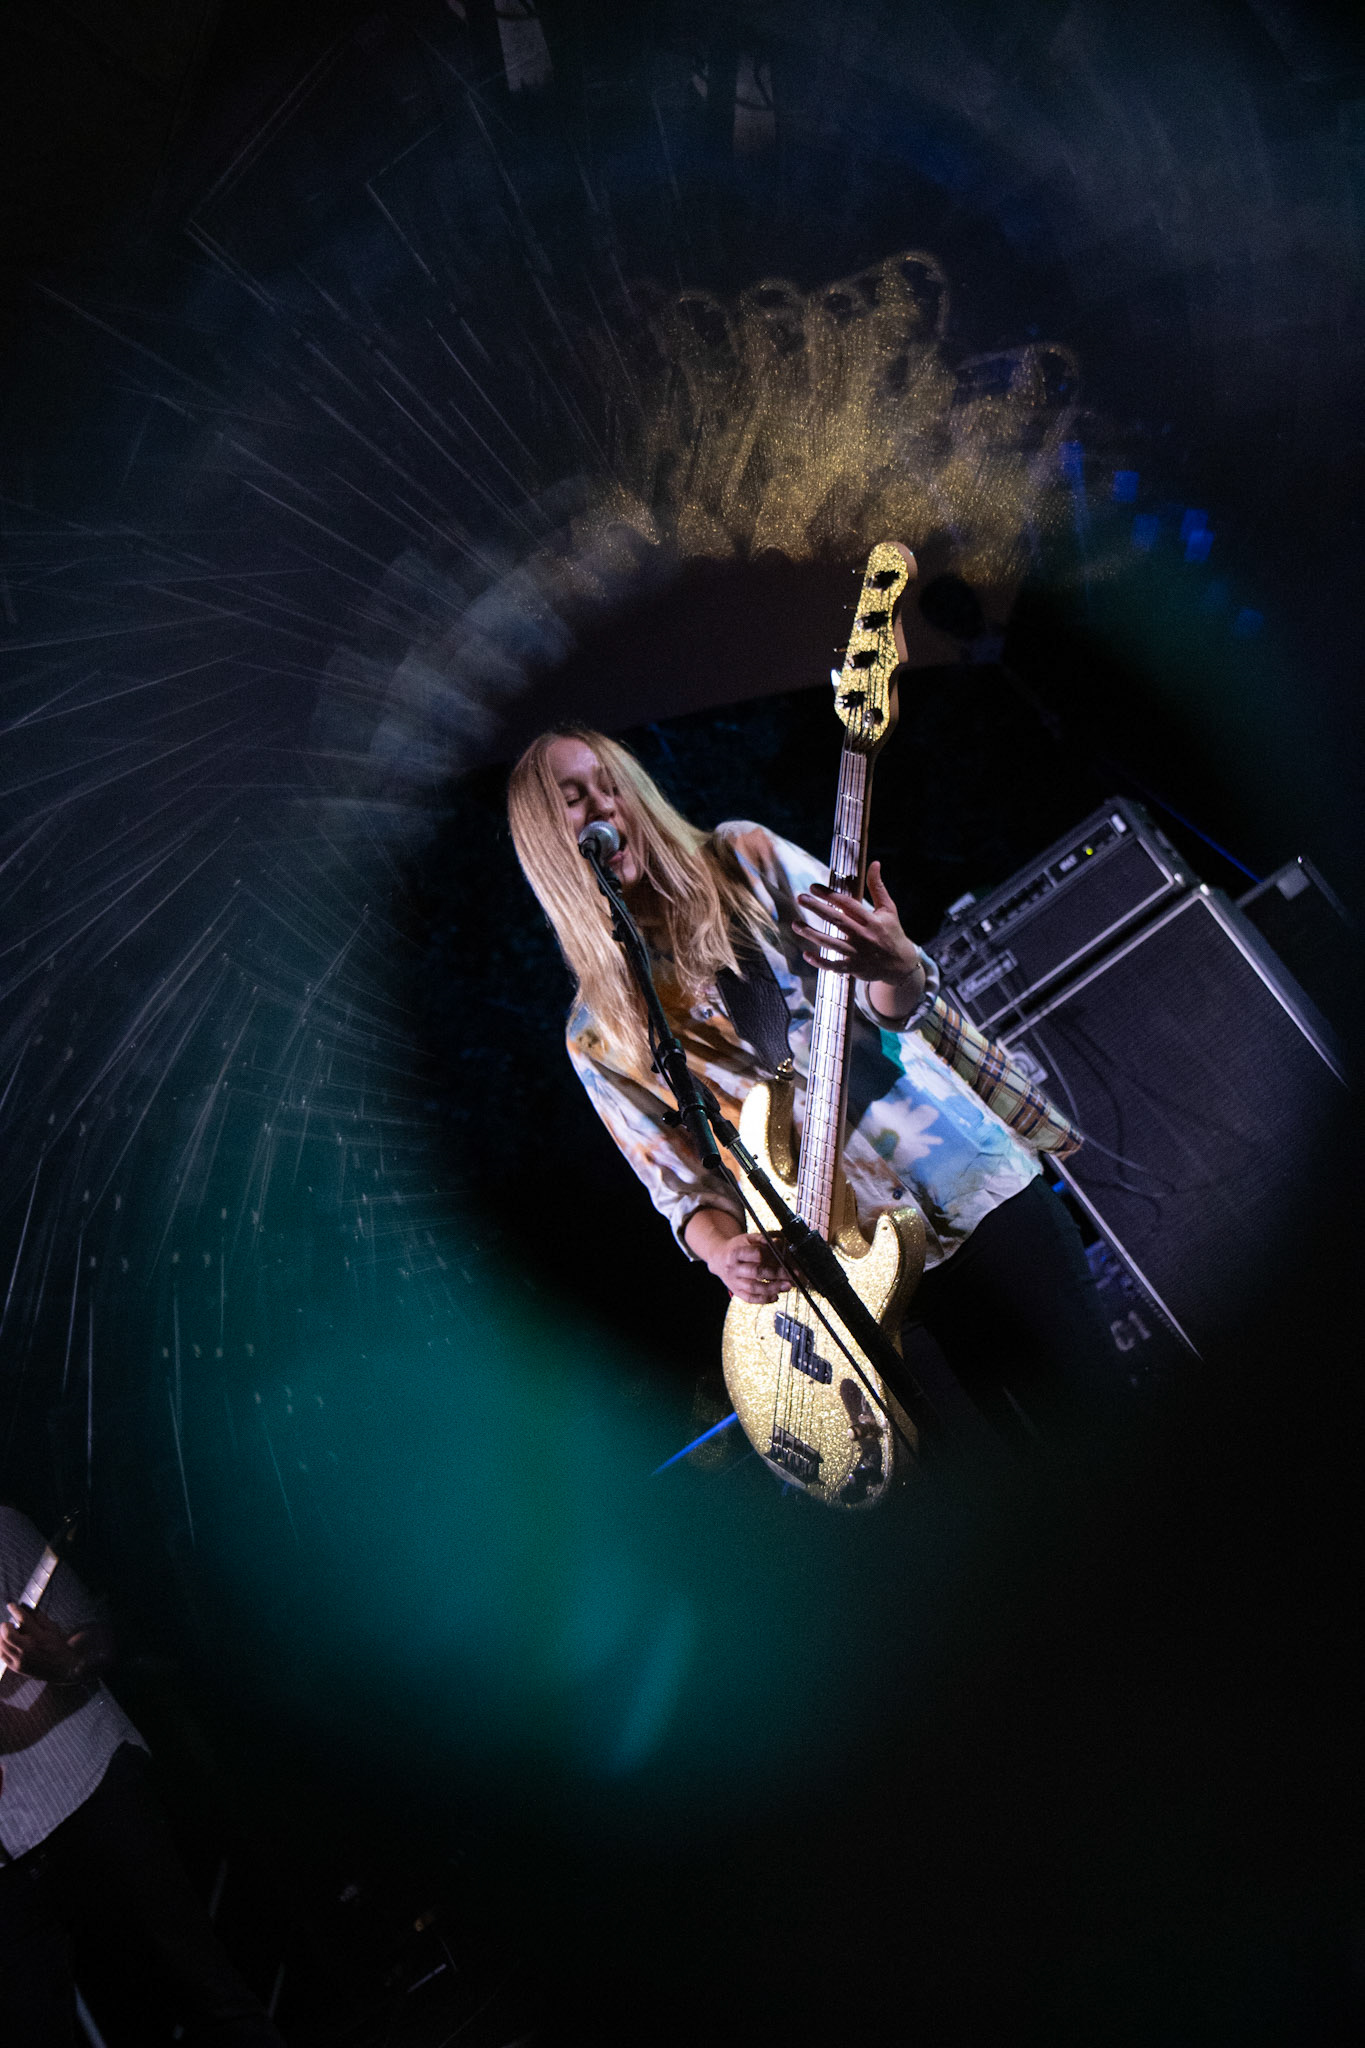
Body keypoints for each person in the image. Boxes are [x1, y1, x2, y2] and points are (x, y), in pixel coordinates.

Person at [506, 726, 1119, 1449]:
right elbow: (682, 1190)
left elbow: (885, 1001)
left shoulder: (744, 859)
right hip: (855, 1280)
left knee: (1102, 1433)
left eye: (612, 785)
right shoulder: (596, 1035)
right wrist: (724, 1255)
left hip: (967, 1188)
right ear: (548, 843)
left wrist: (896, 966)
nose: (605, 807)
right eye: (575, 798)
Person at [0, 1504, 287, 2046]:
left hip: (88, 1788)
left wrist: (62, 1662)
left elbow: (97, 1635)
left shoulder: (2, 1530)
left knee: (207, 1994)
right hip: (10, 1860)